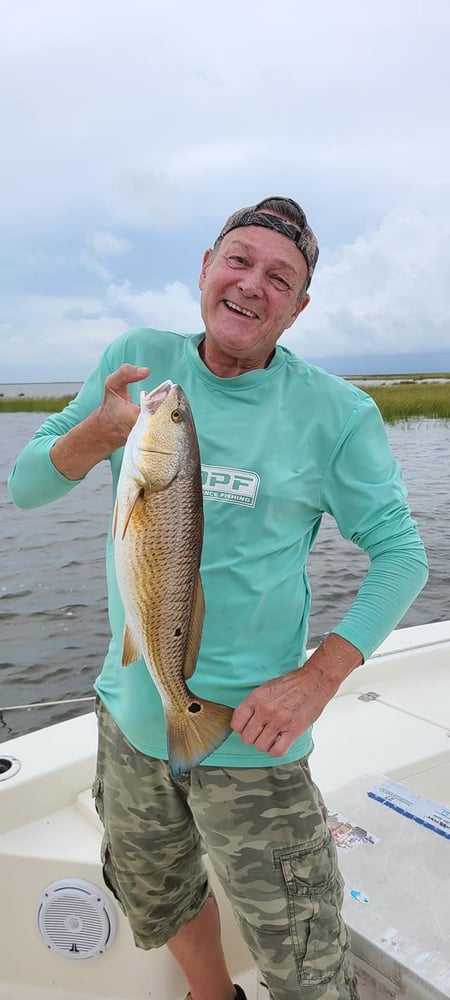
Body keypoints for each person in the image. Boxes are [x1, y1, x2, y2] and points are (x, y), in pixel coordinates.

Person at [8, 196, 428, 1000]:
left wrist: (318, 678)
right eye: (237, 259)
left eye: (279, 277)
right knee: (155, 898)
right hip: (132, 714)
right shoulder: (139, 358)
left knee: (302, 947)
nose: (250, 284)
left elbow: (401, 553)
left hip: (249, 735)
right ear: (205, 267)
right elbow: (27, 485)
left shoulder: (338, 413)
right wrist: (99, 433)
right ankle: (213, 995)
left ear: (298, 307)